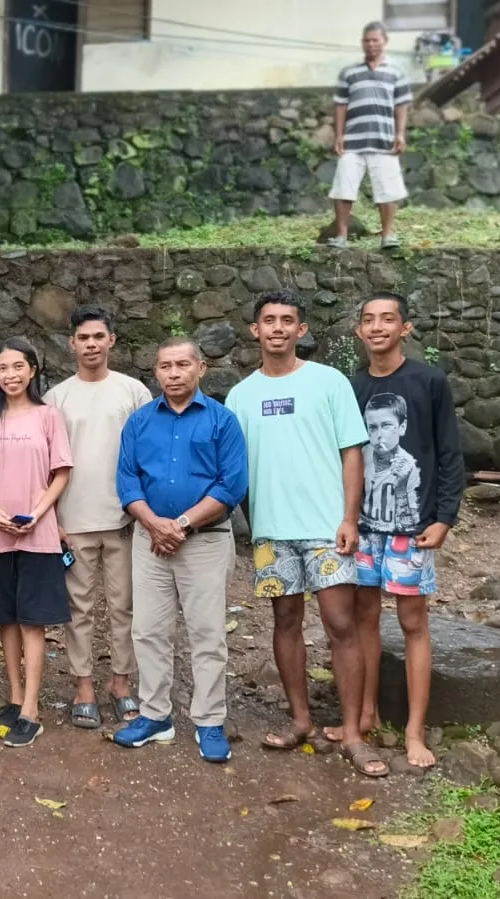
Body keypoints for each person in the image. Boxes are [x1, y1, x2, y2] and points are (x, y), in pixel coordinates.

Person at [225, 291, 386, 778]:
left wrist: (349, 518)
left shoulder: (328, 382)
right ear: (255, 330)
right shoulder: (240, 396)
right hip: (272, 531)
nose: (277, 328)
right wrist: (255, 524)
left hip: (325, 527)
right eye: (268, 320)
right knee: (285, 620)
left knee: (340, 624)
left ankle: (353, 734)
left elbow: (352, 453)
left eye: (287, 320)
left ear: (301, 329)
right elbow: (238, 470)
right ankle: (300, 720)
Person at [330, 292, 464, 769]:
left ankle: (414, 730)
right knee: (363, 615)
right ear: (358, 330)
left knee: (412, 622)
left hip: (413, 528)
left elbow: (449, 453)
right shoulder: (351, 387)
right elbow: (344, 454)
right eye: (368, 319)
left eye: (388, 319)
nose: (377, 327)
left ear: (404, 328)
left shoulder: (428, 381)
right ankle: (366, 713)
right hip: (363, 526)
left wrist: (444, 517)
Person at [110, 338, 248, 762]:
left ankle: (209, 720)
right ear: (156, 371)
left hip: (205, 541)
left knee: (207, 633)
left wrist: (182, 524)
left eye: (182, 364)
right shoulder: (139, 422)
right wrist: (154, 524)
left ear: (201, 368)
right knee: (148, 630)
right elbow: (127, 480)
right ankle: (155, 715)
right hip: (149, 541)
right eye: (165, 366)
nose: (174, 373)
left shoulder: (222, 421)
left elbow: (231, 484)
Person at [43, 306, 152, 729]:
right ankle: (83, 685)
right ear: (71, 343)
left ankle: (121, 682)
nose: (91, 344)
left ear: (112, 340)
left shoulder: (133, 392)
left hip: (125, 518)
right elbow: (45, 462)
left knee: (125, 605)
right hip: (73, 519)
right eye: (83, 338)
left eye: (98, 337)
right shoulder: (56, 398)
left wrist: (145, 511)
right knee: (79, 608)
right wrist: (53, 518)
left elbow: (147, 454)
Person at [0, 337, 73, 749]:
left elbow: (61, 472)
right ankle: (14, 697)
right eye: (2, 368)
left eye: (17, 367)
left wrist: (39, 512)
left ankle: (31, 709)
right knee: (6, 618)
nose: (10, 375)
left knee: (32, 620)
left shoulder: (48, 416)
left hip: (36, 535)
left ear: (32, 370)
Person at [328, 21, 412, 250]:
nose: (371, 44)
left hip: (384, 140)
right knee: (343, 187)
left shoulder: (396, 72)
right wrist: (339, 135)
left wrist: (400, 134)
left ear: (385, 42)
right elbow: (341, 105)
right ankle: (341, 236)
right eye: (366, 40)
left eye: (375, 40)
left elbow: (401, 105)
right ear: (362, 43)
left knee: (388, 189)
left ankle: (387, 236)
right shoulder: (349, 73)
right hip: (352, 141)